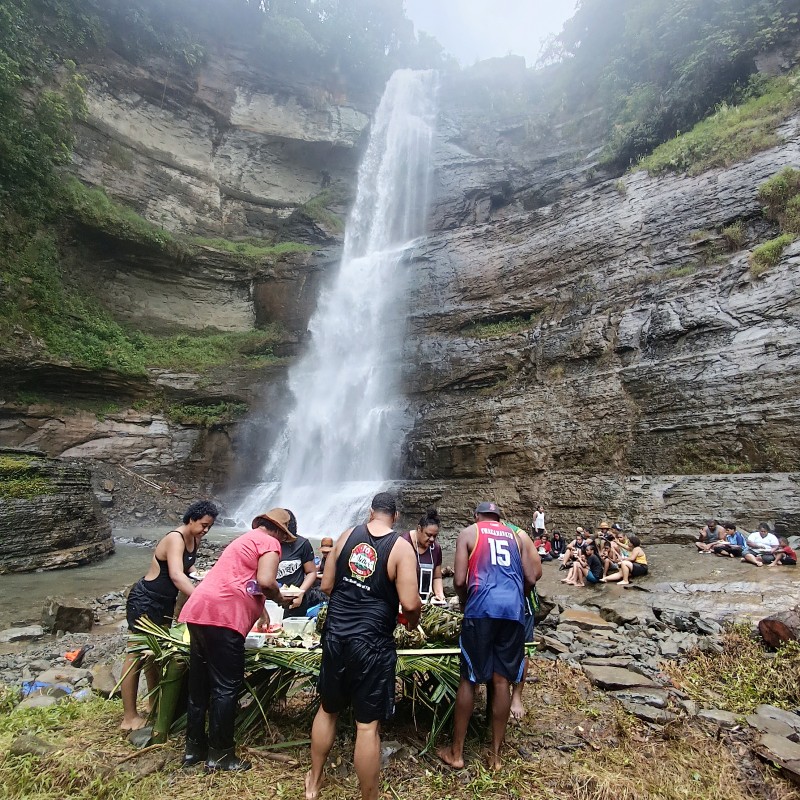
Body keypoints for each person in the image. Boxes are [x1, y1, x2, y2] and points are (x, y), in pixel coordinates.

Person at [305, 493, 421, 800]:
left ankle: (313, 783)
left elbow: (326, 585)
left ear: (371, 512)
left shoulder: (346, 536)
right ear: (395, 517)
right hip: (372, 642)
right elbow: (410, 604)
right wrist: (412, 621)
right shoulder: (401, 548)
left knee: (328, 710)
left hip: (335, 635)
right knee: (367, 726)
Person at [179, 508, 295, 772]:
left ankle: (194, 750)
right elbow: (266, 581)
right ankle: (220, 756)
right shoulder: (270, 543)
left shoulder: (245, 539)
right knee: (226, 687)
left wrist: (261, 609)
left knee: (199, 685)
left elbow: (241, 581)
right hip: (224, 617)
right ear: (279, 531)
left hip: (200, 610)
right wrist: (280, 599)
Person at [437, 501, 540, 772]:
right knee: (502, 680)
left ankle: (457, 753)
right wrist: (514, 597)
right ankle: (495, 757)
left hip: (481, 610)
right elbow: (531, 577)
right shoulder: (516, 537)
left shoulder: (469, 533)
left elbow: (460, 580)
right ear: (499, 518)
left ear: (476, 516)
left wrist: (464, 602)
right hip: (513, 613)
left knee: (469, 678)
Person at [120, 500, 218, 731]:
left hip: (165, 602)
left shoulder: (194, 538)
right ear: (191, 519)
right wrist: (201, 597)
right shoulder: (175, 538)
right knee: (136, 654)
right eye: (203, 525)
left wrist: (201, 576)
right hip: (146, 601)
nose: (205, 530)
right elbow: (175, 574)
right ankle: (129, 717)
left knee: (154, 655)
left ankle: (153, 704)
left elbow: (187, 568)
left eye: (209, 527)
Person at [501, 519, 541, 722]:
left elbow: (536, 572)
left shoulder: (520, 535)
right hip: (499, 601)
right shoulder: (478, 533)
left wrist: (518, 593)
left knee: (523, 648)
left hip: (520, 601)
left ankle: (516, 696)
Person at [277, 510, 317, 618]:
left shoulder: (302, 544)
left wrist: (300, 592)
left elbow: (311, 572)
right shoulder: (267, 543)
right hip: (270, 600)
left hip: (295, 600)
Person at [400, 508, 445, 602]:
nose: (432, 539)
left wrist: (439, 594)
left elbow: (437, 577)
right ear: (419, 529)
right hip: (403, 599)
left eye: (435, 536)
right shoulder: (402, 543)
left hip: (425, 600)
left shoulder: (436, 548)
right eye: (428, 535)